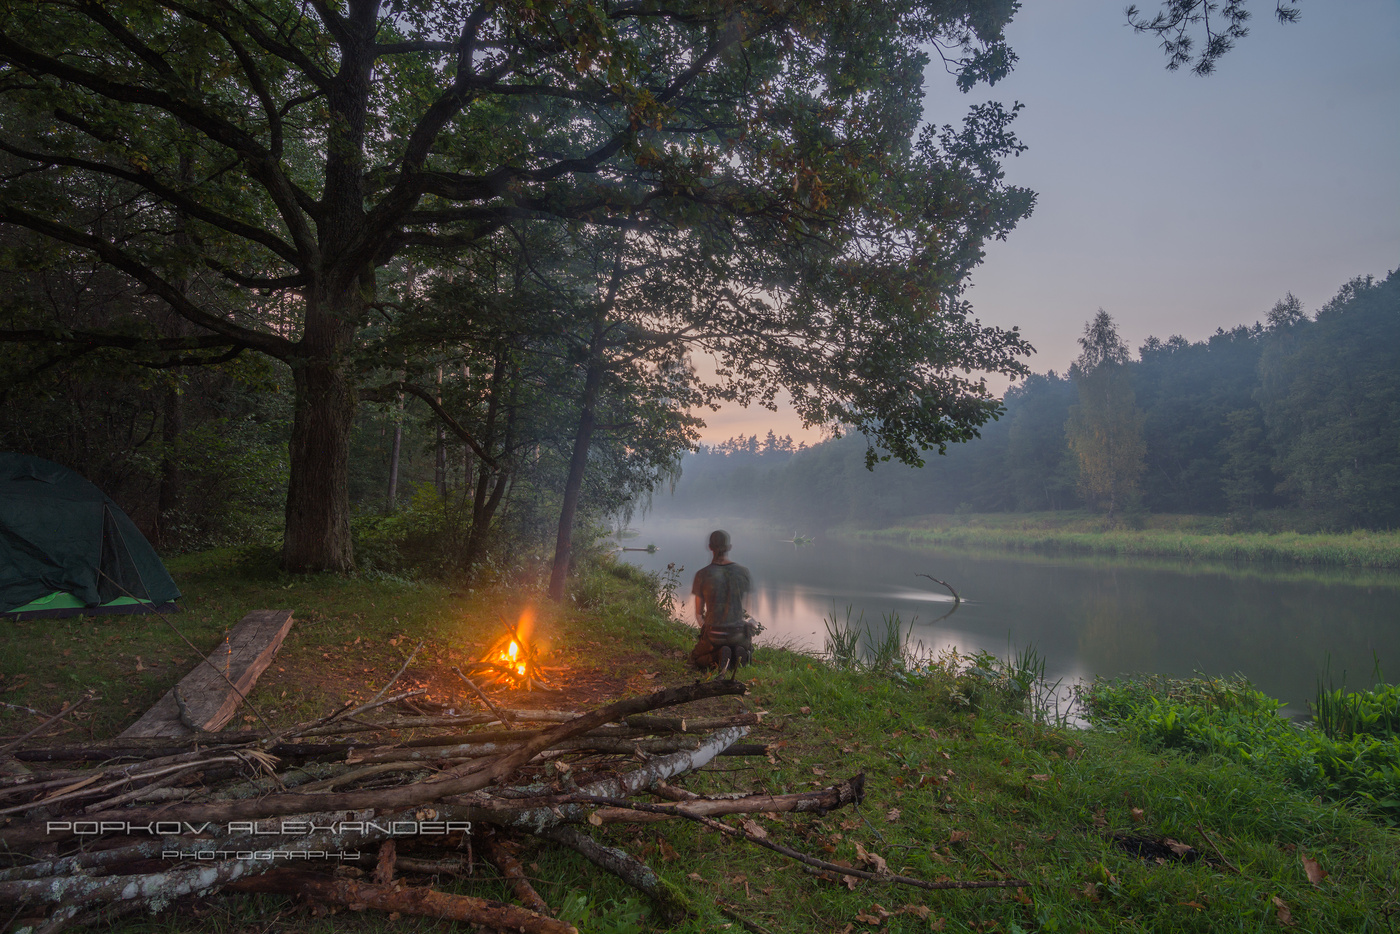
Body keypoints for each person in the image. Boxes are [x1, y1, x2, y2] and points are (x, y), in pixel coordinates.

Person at [690, 529, 754, 673]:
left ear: (710, 547)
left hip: (714, 634)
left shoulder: (702, 574)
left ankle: (716, 656)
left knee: (695, 658)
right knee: (743, 644)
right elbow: (748, 610)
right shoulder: (744, 572)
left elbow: (699, 614)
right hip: (737, 633)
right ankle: (740, 652)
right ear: (729, 547)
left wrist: (705, 628)